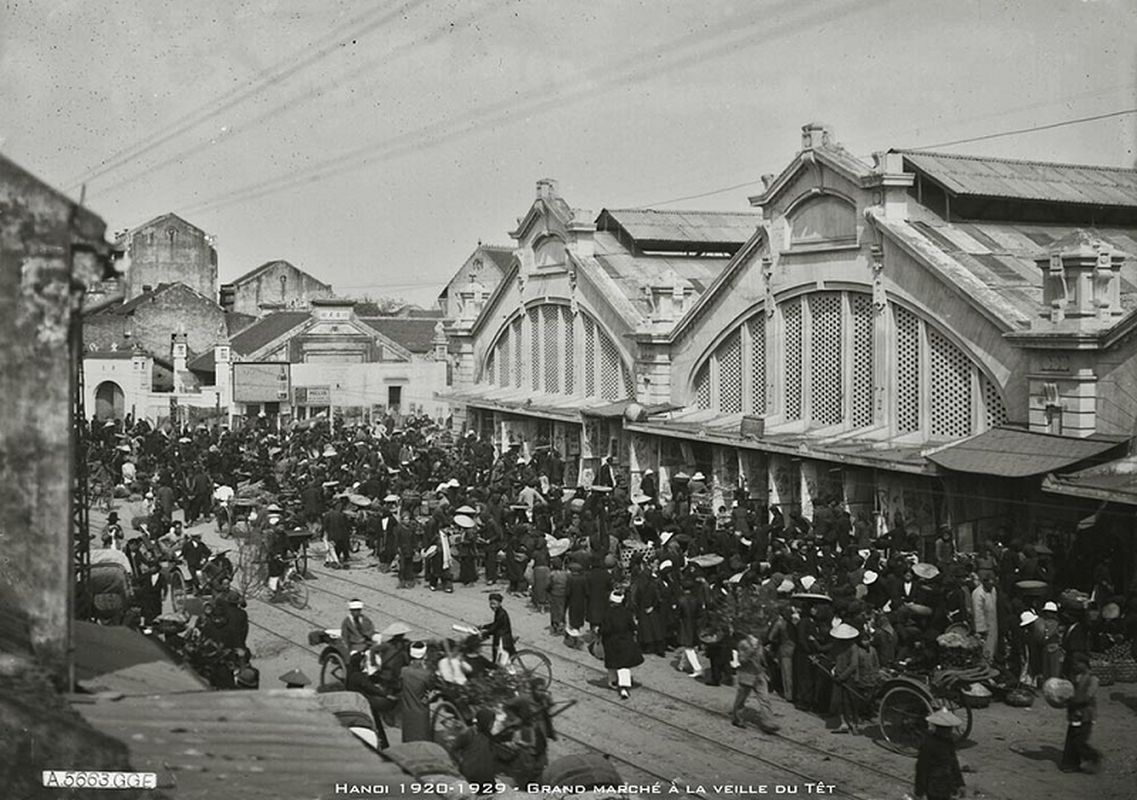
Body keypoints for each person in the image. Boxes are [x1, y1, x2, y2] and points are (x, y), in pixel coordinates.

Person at [731, 630, 779, 733]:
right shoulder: (743, 644)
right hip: (747, 675)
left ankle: (768, 723)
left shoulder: (760, 646)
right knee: (741, 699)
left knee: (764, 699)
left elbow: (763, 661)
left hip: (759, 675)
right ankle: (737, 718)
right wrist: (751, 652)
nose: (756, 638)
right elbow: (742, 660)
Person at [1060, 654, 1101, 773]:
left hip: (1086, 715)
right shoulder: (1076, 677)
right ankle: (1070, 764)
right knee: (1071, 739)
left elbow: (1087, 697)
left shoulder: (1093, 679)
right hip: (1074, 714)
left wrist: (1072, 701)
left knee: (1079, 741)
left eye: (1078, 664)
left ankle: (1094, 756)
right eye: (1074, 664)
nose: (1075, 666)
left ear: (1085, 664)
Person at [599, 590, 643, 700]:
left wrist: (599, 631)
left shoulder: (607, 613)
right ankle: (624, 688)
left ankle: (613, 681)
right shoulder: (627, 613)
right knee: (624, 666)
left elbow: (606, 629)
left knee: (612, 663)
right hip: (625, 642)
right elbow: (633, 627)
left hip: (611, 642)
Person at [913, 709, 965, 800]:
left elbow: (954, 764)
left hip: (947, 784)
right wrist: (919, 791)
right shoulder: (929, 744)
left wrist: (960, 784)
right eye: (945, 729)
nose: (948, 732)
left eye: (949, 729)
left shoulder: (949, 743)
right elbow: (922, 768)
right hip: (934, 785)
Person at [344, 651, 392, 750]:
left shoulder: (352, 673)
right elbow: (371, 688)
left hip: (356, 701)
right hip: (364, 703)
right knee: (376, 723)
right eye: (363, 662)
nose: (364, 664)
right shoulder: (358, 676)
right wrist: (386, 695)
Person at [398, 642, 435, 743]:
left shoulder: (404, 671)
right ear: (425, 655)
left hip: (407, 709)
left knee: (408, 735)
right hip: (421, 709)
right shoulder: (426, 674)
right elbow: (431, 688)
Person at [452, 708, 498, 785]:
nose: (492, 725)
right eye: (490, 722)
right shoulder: (468, 733)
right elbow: (455, 749)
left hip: (484, 773)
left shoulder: (488, 736)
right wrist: (461, 760)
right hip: (470, 773)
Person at [481, 593, 516, 667]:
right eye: (491, 604)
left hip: (503, 640)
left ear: (499, 603)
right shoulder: (499, 612)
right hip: (499, 637)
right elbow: (495, 624)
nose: (492, 606)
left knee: (500, 662)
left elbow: (495, 627)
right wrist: (483, 627)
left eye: (494, 604)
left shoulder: (501, 614)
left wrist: (485, 632)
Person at [971, 571, 999, 661]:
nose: (992, 584)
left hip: (993, 621)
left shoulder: (993, 590)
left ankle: (991, 659)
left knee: (993, 645)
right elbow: (977, 612)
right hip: (985, 625)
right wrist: (981, 629)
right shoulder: (978, 593)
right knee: (985, 647)